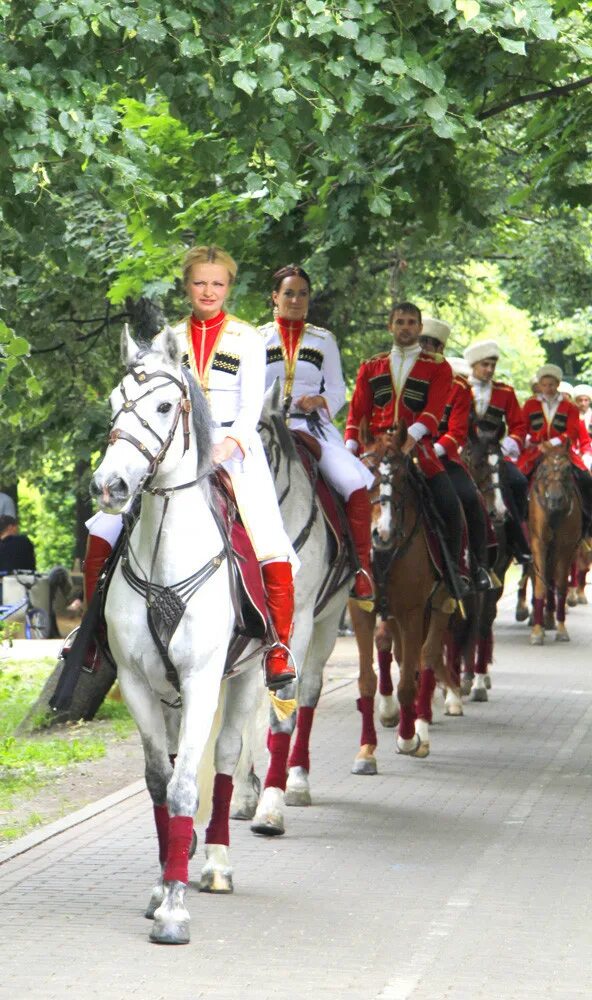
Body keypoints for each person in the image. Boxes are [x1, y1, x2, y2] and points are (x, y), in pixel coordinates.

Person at [86, 245, 296, 690]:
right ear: (186, 286)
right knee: (102, 529)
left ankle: (278, 648)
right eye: (200, 282)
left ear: (228, 287)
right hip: (174, 448)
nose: (208, 291)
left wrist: (226, 446)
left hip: (231, 447)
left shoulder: (248, 339)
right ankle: (90, 637)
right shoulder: (170, 338)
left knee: (270, 539)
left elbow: (250, 408)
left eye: (217, 283)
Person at [260, 264, 375, 605]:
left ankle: (361, 570)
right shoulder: (255, 338)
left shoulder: (323, 340)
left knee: (353, 482)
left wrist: (321, 400)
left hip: (308, 425)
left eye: (302, 294)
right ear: (275, 298)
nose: (296, 300)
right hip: (264, 426)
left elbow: (338, 389)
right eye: (289, 293)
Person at [345, 301, 469, 596]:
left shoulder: (438, 367)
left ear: (419, 327)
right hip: (375, 448)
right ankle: (345, 571)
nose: (405, 327)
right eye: (400, 322)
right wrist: (350, 446)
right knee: (342, 499)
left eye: (411, 322)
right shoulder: (371, 365)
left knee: (452, 504)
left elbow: (435, 409)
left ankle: (455, 573)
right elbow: (357, 412)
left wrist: (411, 435)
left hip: (418, 448)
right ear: (390, 326)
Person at [419, 318, 491, 590]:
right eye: (422, 342)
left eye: (432, 344)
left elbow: (458, 431)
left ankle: (472, 566)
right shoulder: (399, 375)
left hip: (441, 457)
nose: (426, 348)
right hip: (400, 453)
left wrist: (433, 449)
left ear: (442, 347)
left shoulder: (458, 386)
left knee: (471, 499)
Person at [463, 338, 530, 562]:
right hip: (464, 452)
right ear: (474, 365)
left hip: (495, 452)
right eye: (485, 364)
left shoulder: (505, 392)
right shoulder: (458, 388)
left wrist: (510, 443)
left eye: (492, 365)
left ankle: (516, 540)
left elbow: (519, 425)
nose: (490, 369)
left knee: (519, 482)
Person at [518, 365, 592, 524]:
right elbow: (523, 427)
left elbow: (572, 431)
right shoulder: (530, 404)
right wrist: (531, 440)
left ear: (557, 384)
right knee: (519, 479)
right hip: (535, 451)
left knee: (586, 479)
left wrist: (551, 443)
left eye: (551, 384)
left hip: (563, 452)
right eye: (544, 385)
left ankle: (587, 518)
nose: (547, 388)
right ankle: (520, 517)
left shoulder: (570, 406)